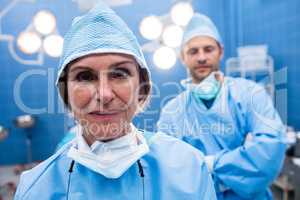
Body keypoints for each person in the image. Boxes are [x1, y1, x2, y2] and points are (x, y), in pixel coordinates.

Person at [14, 3, 216, 200]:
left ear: (142, 87)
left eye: (119, 74)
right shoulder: (35, 188)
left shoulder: (188, 170)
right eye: (85, 76)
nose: (104, 94)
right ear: (65, 91)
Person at [157, 13, 286, 199]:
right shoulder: (172, 111)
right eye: (193, 51)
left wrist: (211, 164)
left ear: (221, 51)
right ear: (182, 57)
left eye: (208, 49)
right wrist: (238, 162)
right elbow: (169, 167)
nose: (201, 57)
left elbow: (270, 147)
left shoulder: (250, 94)